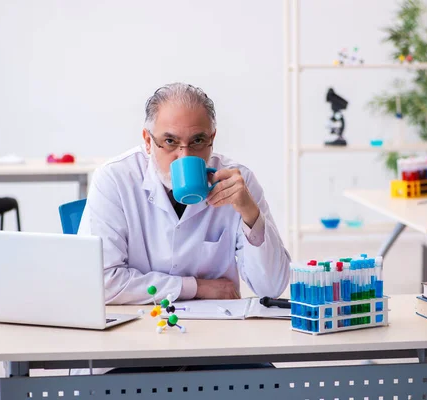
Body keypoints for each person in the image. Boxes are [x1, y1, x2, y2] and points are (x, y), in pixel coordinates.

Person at [78, 82, 290, 305]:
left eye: (197, 141)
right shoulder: (115, 179)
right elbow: (98, 283)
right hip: (138, 323)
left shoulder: (238, 182)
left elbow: (272, 287)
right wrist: (196, 287)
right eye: (170, 141)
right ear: (148, 141)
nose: (184, 156)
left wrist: (250, 214)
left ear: (212, 139)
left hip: (217, 327)